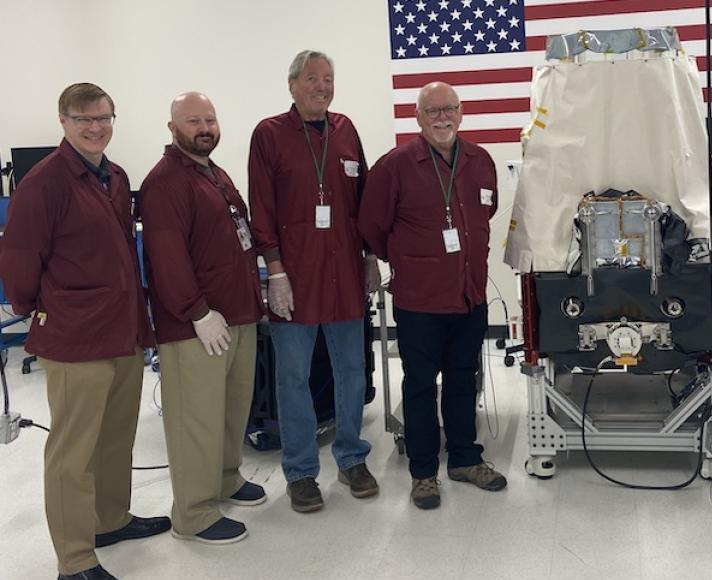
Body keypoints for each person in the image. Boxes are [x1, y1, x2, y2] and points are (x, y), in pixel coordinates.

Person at [0, 83, 169, 580]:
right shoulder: (44, 182)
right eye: (83, 119)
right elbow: (21, 259)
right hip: (75, 335)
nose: (96, 127)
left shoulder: (113, 176)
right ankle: (75, 559)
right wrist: (37, 309)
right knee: (72, 452)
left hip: (121, 328)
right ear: (63, 120)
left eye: (104, 118)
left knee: (117, 435)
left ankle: (110, 518)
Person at [358, 81, 507, 510]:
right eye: (432, 111)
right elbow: (372, 225)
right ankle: (423, 473)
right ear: (417, 117)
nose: (442, 117)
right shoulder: (394, 166)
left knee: (464, 381)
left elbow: (487, 210)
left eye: (449, 109)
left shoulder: (480, 161)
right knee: (421, 386)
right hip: (419, 302)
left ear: (461, 113)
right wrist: (410, 260)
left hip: (469, 297)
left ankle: (463, 459)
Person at [248, 50, 379, 513]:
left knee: (351, 371)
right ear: (291, 85)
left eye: (328, 78)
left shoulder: (346, 130)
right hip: (295, 277)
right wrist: (274, 271)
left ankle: (351, 458)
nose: (321, 86)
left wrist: (369, 257)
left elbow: (362, 200)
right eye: (311, 78)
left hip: (344, 273)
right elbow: (260, 207)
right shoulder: (268, 134)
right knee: (293, 376)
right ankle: (301, 471)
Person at [140, 92, 266, 544]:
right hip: (196, 325)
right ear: (172, 127)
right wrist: (197, 312)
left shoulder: (214, 173)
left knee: (232, 409)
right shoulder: (165, 182)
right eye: (193, 120)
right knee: (196, 419)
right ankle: (193, 513)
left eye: (210, 119)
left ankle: (225, 479)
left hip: (237, 314)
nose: (204, 127)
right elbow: (167, 256)